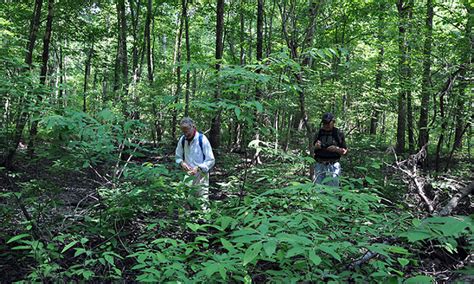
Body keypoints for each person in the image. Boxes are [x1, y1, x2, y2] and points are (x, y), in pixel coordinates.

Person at [175, 117, 215, 210]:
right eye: (183, 131)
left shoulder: (202, 139)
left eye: (187, 131)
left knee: (202, 200)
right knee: (185, 201)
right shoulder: (182, 140)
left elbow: (211, 159)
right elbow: (178, 156)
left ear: (193, 127)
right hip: (187, 175)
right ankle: (186, 221)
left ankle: (204, 221)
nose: (185, 134)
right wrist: (181, 163)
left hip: (201, 176)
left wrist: (199, 167)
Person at [313, 112, 348, 187]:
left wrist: (336, 149)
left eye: (328, 123)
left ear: (333, 122)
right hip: (319, 165)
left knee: (333, 191)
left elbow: (345, 151)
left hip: (333, 166)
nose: (326, 125)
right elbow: (312, 149)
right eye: (324, 123)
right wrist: (316, 146)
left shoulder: (338, 133)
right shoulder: (319, 133)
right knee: (318, 190)